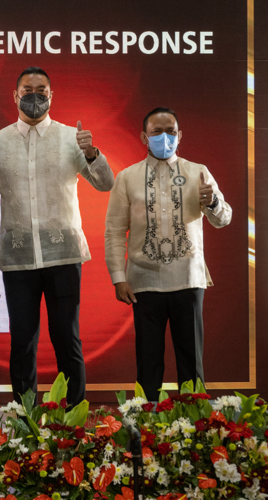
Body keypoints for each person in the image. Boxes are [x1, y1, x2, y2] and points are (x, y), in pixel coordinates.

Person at [0, 67, 114, 406]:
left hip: (63, 255)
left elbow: (105, 183)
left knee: (67, 338)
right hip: (17, 256)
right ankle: (26, 418)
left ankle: (76, 416)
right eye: (27, 89)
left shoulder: (71, 138)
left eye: (41, 89)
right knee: (22, 340)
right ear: (15, 95)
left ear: (52, 96)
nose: (34, 95)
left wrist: (92, 153)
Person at [104, 107, 232, 402]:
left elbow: (223, 218)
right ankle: (147, 433)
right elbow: (113, 231)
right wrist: (118, 277)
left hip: (188, 279)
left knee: (191, 364)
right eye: (156, 132)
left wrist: (212, 202)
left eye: (171, 132)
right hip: (143, 281)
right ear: (143, 137)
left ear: (180, 135)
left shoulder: (197, 171)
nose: (165, 138)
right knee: (148, 364)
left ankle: (194, 432)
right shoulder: (127, 177)